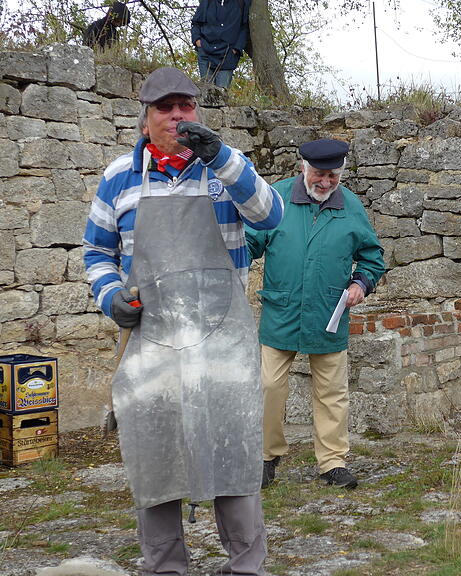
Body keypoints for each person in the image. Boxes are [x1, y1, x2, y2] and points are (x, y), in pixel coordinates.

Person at [82, 66, 283, 576]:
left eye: (185, 106)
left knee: (234, 450)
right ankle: (166, 567)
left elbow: (271, 215)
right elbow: (96, 252)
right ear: (146, 118)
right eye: (164, 108)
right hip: (152, 341)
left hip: (222, 341)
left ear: (197, 111)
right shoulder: (118, 178)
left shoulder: (227, 169)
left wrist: (221, 158)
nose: (177, 115)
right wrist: (110, 297)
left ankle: (245, 566)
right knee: (155, 453)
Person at [246, 138, 385, 490]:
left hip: (329, 311)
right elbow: (248, 243)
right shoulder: (274, 198)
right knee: (269, 386)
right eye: (318, 175)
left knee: (331, 391)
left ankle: (332, 462)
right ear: (302, 168)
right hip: (282, 309)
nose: (325, 183)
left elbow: (372, 257)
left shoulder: (351, 206)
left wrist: (361, 284)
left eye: (333, 177)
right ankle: (266, 455)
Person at [191, 0, 251, 89]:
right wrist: (198, 41)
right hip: (206, 52)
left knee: (222, 95)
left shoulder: (241, 3)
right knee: (206, 94)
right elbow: (196, 23)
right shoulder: (207, 1)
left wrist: (236, 48)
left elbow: (245, 28)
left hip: (227, 55)